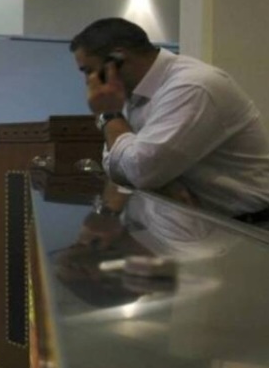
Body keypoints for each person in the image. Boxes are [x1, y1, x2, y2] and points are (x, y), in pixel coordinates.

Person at [70, 17, 269, 226]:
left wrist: (110, 114)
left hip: (250, 228)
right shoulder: (133, 93)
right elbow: (114, 166)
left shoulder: (192, 87)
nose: (89, 82)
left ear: (118, 58)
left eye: (89, 71)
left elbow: (139, 171)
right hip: (203, 225)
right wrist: (161, 181)